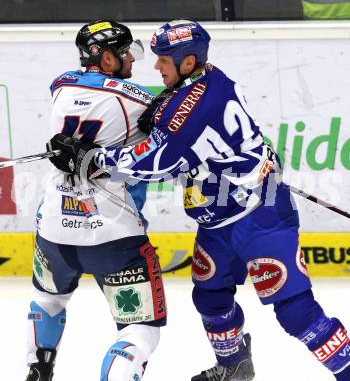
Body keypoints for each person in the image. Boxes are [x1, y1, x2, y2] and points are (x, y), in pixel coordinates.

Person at [48, 19, 350, 381]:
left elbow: (156, 162)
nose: (155, 66)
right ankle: (234, 366)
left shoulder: (194, 107)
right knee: (210, 297)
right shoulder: (204, 79)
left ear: (188, 62)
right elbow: (172, 121)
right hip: (218, 219)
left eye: (163, 59)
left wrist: (89, 158)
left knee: (295, 311)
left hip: (259, 216)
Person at [26, 19, 167, 381]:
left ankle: (37, 370)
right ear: (106, 59)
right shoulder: (138, 101)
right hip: (114, 235)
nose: (133, 61)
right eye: (125, 54)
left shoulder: (60, 86)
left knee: (49, 300)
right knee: (141, 329)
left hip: (55, 229)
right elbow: (167, 136)